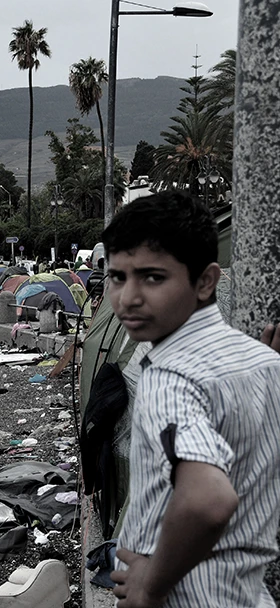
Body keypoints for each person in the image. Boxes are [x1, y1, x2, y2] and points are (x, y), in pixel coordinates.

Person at [105, 190, 280, 607]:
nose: (128, 298)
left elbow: (208, 500)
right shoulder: (260, 360)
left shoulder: (170, 376)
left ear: (205, 281)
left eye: (153, 277)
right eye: (117, 277)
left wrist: (149, 586)